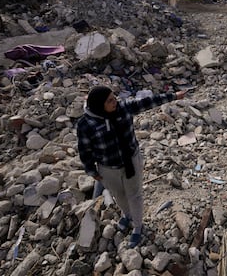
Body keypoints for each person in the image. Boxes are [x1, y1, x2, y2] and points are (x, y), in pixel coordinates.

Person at [76, 85, 186, 248]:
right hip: (108, 168)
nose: (115, 102)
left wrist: (173, 96)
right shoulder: (86, 124)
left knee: (134, 195)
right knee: (118, 195)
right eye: (110, 101)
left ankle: (137, 227)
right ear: (99, 105)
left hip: (131, 161)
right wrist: (91, 171)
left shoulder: (123, 109)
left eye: (114, 98)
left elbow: (148, 101)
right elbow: (85, 150)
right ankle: (127, 215)